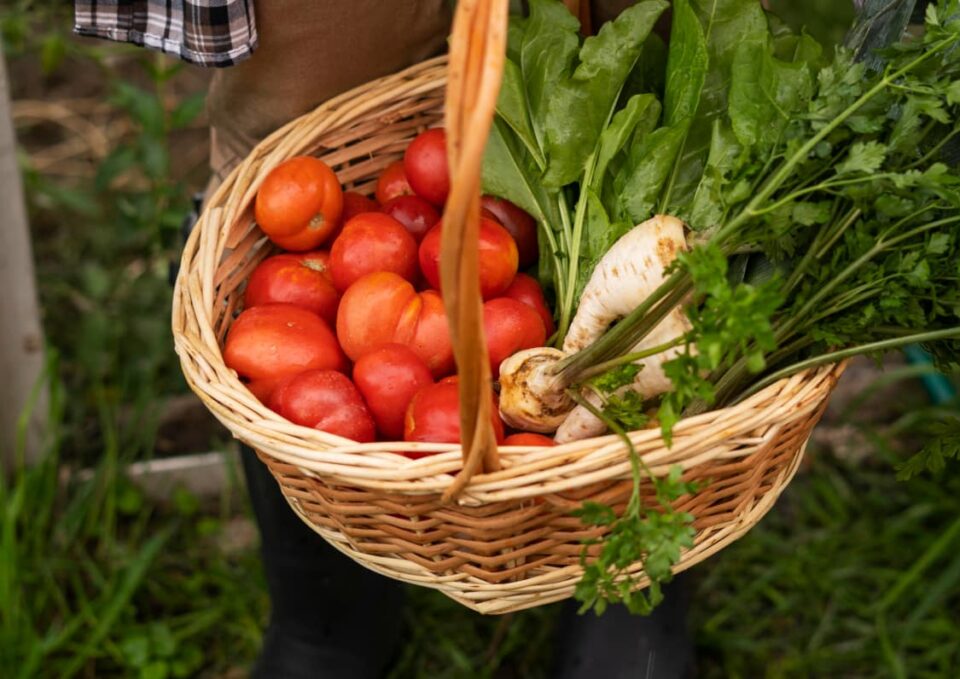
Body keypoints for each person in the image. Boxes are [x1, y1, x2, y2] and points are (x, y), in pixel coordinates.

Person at [74, 2, 696, 677]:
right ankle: (326, 615)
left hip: (455, 296)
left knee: (647, 81)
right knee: (297, 111)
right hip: (408, 265)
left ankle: (632, 585)